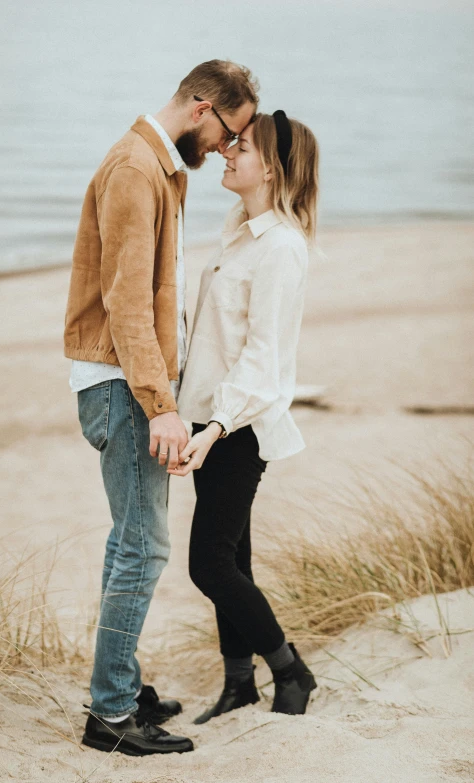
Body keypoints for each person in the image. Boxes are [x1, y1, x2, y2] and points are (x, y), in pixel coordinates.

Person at [63, 60, 259, 756]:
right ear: (202, 109)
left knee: (131, 541)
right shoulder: (135, 169)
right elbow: (124, 303)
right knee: (143, 548)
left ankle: (121, 685)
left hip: (130, 381)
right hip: (121, 383)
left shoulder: (158, 168)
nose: (226, 151)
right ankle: (111, 715)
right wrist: (161, 406)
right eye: (229, 133)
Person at [170, 110, 319, 723]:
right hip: (208, 418)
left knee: (208, 564)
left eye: (243, 147)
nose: (228, 152)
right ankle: (240, 685)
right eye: (231, 142)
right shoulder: (238, 229)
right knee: (233, 559)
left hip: (237, 428)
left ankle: (290, 670)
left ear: (275, 167)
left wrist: (214, 429)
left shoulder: (280, 247)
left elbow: (263, 356)